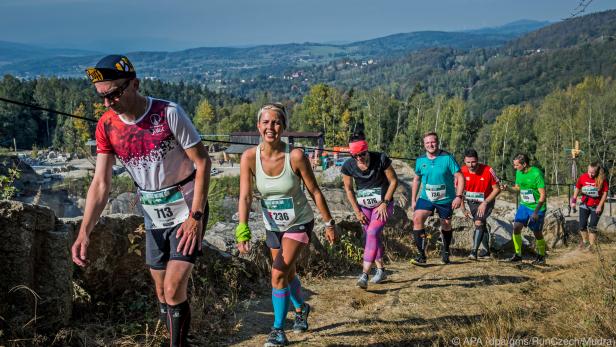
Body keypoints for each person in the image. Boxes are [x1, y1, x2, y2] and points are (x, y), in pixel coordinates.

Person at [72, 55, 211, 346]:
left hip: (186, 209)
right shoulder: (106, 125)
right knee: (162, 292)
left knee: (173, 289)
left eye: (114, 94)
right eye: (102, 97)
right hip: (154, 214)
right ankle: (178, 337)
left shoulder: (169, 113)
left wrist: (196, 217)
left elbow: (203, 162)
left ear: (134, 83)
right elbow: (100, 183)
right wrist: (84, 231)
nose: (108, 103)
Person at [235, 103, 336, 347]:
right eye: (266, 122)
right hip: (273, 225)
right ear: (259, 126)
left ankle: (278, 330)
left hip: (299, 222)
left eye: (276, 122)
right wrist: (242, 228)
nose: (271, 127)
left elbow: (315, 191)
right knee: (287, 273)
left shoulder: (296, 156)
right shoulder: (249, 157)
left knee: (278, 272)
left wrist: (329, 223)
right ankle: (301, 309)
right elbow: (245, 197)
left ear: (284, 127)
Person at [341, 132, 398, 289]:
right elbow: (349, 189)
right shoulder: (348, 166)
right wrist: (357, 211)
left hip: (383, 205)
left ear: (367, 150)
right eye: (355, 155)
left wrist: (385, 202)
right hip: (364, 206)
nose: (359, 158)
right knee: (371, 236)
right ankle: (381, 270)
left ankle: (364, 275)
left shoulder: (380, 159)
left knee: (372, 233)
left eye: (362, 154)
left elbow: (394, 181)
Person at [411, 132, 464, 265]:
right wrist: (413, 199)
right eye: (427, 143)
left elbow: (460, 177)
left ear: (438, 142)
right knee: (417, 218)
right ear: (424, 145)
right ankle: (421, 256)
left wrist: (459, 196)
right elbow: (417, 179)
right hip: (426, 197)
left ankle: (445, 252)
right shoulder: (420, 160)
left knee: (446, 225)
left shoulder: (447, 158)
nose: (430, 145)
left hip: (445, 198)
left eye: (433, 142)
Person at [503, 154, 547, 264]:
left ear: (524, 164)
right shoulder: (519, 172)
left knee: (537, 232)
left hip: (537, 207)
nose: (515, 167)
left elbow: (543, 195)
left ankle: (541, 256)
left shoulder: (536, 173)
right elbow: (518, 188)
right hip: (524, 205)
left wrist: (536, 212)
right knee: (516, 227)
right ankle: (518, 255)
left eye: (517, 165)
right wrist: (508, 188)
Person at [460, 149, 501, 260]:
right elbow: (459, 191)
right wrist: (463, 208)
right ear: (464, 161)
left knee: (478, 221)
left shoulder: (488, 170)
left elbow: (497, 189)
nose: (471, 165)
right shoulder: (461, 171)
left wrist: (485, 202)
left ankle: (474, 252)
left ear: (477, 160)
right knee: (480, 223)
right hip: (471, 202)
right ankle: (487, 251)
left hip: (487, 200)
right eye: (468, 162)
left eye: (473, 162)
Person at [571, 161, 608, 249]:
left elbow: (605, 193)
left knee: (592, 227)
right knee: (582, 225)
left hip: (596, 206)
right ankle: (585, 242)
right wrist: (573, 201)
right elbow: (577, 188)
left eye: (592, 173)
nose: (590, 174)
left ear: (597, 172)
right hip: (584, 204)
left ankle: (592, 247)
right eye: (589, 172)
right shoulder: (583, 177)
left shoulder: (602, 179)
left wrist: (600, 206)